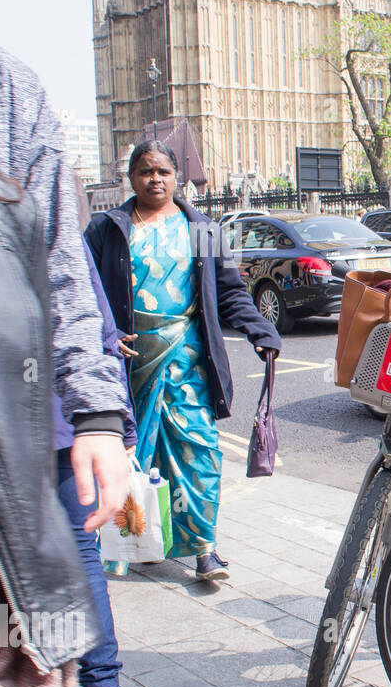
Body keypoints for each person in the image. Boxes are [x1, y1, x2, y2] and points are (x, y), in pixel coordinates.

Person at [0, 33, 131, 687]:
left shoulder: (3, 87)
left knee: (56, 623)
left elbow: (68, 280)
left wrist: (101, 414)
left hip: (26, 461)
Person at [84, 141, 282, 582]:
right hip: (131, 364)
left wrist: (259, 329)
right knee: (139, 456)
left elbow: (229, 293)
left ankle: (205, 551)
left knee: (200, 454)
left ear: (179, 177)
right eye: (145, 171)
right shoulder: (107, 229)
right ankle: (137, 542)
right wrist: (107, 333)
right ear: (131, 178)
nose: (155, 179)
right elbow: (84, 291)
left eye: (163, 171)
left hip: (188, 358)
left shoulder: (203, 230)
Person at [53, 240, 138, 687]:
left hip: (53, 418)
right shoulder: (30, 172)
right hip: (65, 414)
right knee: (81, 556)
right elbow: (89, 314)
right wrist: (111, 420)